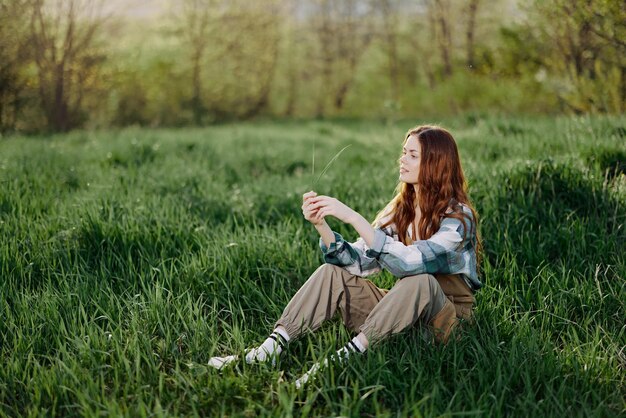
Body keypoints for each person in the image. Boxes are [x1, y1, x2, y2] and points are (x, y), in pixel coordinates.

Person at [208, 125, 483, 388]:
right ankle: (269, 348)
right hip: (401, 312)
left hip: (446, 321)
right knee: (331, 273)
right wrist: (321, 225)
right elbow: (360, 263)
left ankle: (339, 361)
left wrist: (352, 217)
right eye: (403, 152)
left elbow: (411, 263)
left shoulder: (459, 218)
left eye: (412, 155)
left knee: (419, 281)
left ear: (436, 164)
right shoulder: (401, 210)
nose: (402, 160)